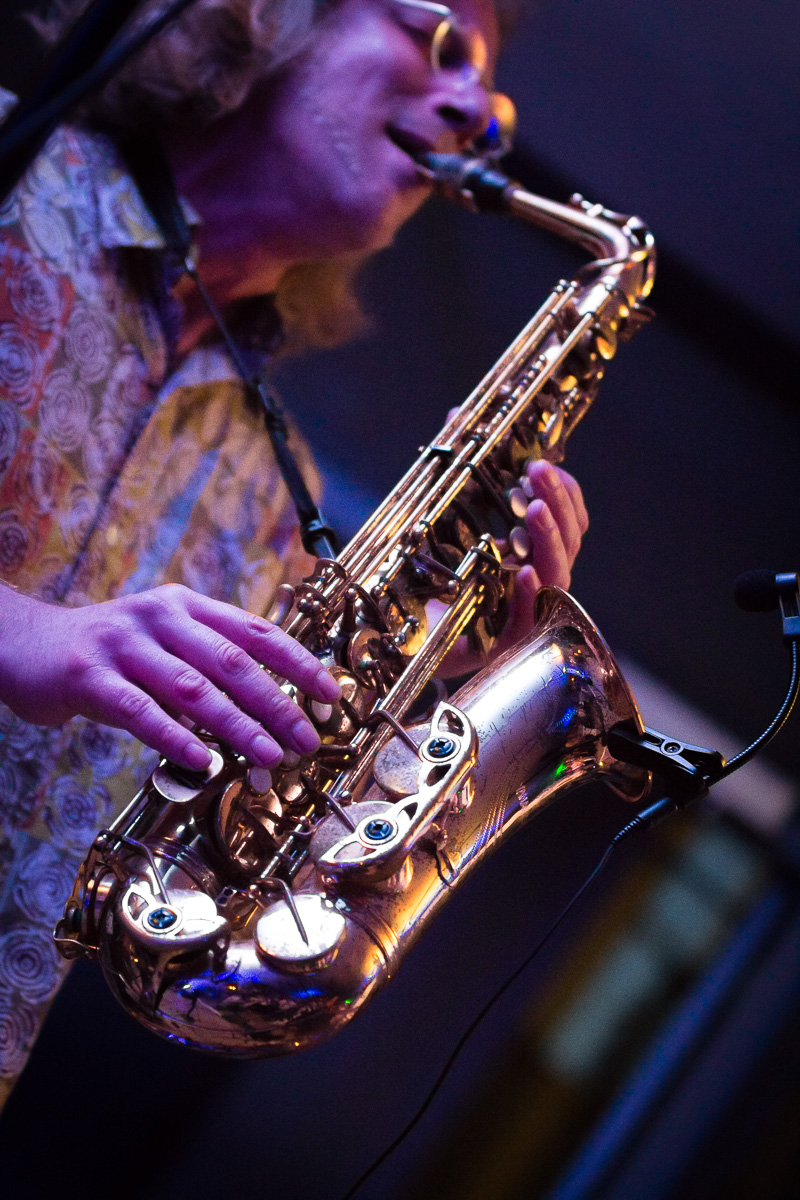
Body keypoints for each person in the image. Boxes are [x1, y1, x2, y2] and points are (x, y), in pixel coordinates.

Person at [0, 0, 588, 1105]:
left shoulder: (278, 498)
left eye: (491, 94)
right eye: (440, 40)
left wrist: (436, 682)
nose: (481, 112)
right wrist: (23, 633)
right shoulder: (10, 171)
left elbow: (242, 849)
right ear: (269, 17)